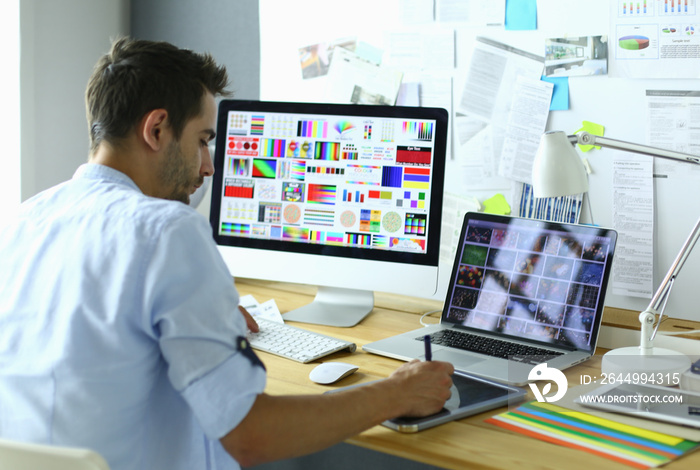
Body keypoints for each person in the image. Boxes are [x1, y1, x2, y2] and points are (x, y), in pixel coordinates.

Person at [0, 37, 454, 470]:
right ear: (156, 129)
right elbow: (249, 435)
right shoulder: (168, 230)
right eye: (202, 140)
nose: (209, 166)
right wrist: (396, 393)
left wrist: (204, 319)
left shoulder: (24, 220)